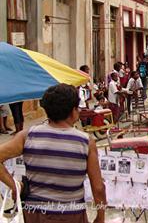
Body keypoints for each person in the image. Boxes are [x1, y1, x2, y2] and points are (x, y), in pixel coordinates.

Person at [0, 84, 106, 223]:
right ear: (73, 111)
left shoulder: (27, 136)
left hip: (34, 214)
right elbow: (98, 187)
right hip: (71, 214)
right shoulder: (86, 142)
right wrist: (100, 216)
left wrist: (14, 185)